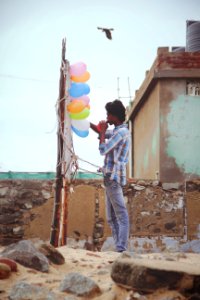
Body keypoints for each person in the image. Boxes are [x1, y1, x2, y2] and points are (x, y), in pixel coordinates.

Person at [90, 99, 130, 252]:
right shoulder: (117, 131)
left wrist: (101, 132)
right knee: (111, 218)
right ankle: (118, 248)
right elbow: (102, 131)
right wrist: (86, 123)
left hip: (113, 178)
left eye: (108, 114)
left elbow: (103, 149)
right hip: (109, 178)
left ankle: (121, 248)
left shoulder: (120, 133)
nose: (106, 117)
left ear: (114, 116)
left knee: (121, 216)